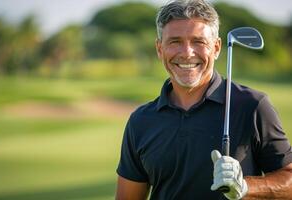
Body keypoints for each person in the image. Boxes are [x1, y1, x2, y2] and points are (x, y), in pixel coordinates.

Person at [115, 0, 292, 199]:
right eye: (175, 42)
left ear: (216, 48)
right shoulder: (140, 120)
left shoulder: (252, 106)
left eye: (198, 41)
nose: (187, 53)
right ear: (159, 48)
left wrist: (244, 187)